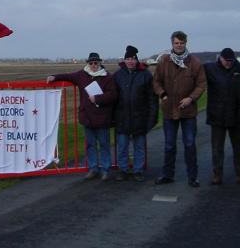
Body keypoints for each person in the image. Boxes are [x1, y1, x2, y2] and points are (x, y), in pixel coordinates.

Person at [47, 52, 117, 181]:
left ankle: (106, 170)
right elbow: (68, 76)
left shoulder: (108, 77)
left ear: (100, 63)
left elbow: (112, 95)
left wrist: (97, 98)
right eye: (91, 63)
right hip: (88, 117)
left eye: (96, 63)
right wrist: (54, 77)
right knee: (90, 145)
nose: (93, 65)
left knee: (104, 144)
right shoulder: (81, 75)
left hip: (103, 117)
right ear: (88, 64)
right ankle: (93, 168)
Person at [153, 30, 207, 187]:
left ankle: (193, 177)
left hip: (188, 111)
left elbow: (201, 84)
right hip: (169, 110)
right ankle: (167, 175)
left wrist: (191, 98)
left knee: (190, 144)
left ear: (186, 43)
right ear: (172, 43)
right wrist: (162, 95)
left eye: (181, 43)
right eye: (176, 43)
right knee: (169, 145)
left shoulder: (194, 63)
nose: (179, 45)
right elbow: (156, 82)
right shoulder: (164, 62)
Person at [113, 45, 158, 182]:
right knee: (122, 147)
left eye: (133, 59)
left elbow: (152, 98)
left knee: (139, 147)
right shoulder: (118, 75)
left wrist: (152, 117)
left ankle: (138, 170)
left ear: (136, 60)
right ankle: (123, 170)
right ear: (124, 60)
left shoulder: (145, 75)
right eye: (128, 59)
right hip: (122, 117)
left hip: (140, 116)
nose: (130, 61)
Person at [204, 47, 240, 185]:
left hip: (236, 115)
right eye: (226, 60)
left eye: (231, 61)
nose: (228, 63)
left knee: (238, 147)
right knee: (217, 148)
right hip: (217, 114)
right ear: (220, 58)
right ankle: (217, 174)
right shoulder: (210, 68)